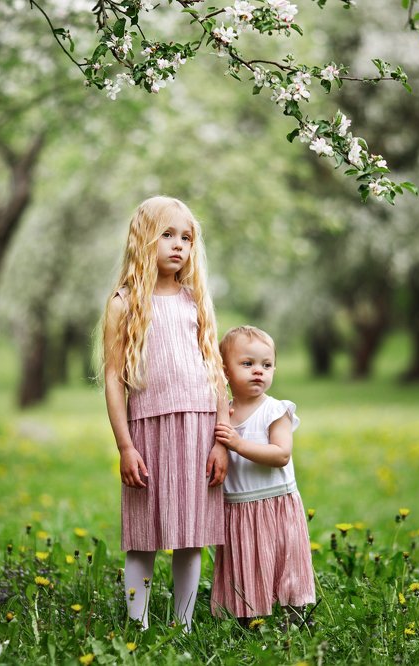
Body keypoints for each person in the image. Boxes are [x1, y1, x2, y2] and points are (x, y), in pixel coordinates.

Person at [100, 195, 230, 631]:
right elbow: (115, 380)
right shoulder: (123, 304)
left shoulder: (197, 300)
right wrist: (125, 445)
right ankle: (136, 626)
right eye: (168, 235)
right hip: (147, 428)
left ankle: (184, 624)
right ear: (143, 240)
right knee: (144, 532)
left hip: (198, 426)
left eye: (187, 238)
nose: (178, 246)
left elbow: (216, 373)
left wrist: (221, 437)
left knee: (190, 532)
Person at [211, 325, 316, 623]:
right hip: (239, 507)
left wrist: (238, 444)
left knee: (283, 562)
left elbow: (281, 455)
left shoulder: (275, 410)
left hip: (274, 504)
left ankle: (292, 613)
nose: (259, 371)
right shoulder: (224, 413)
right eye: (248, 364)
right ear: (224, 370)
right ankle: (247, 614)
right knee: (247, 562)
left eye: (266, 365)